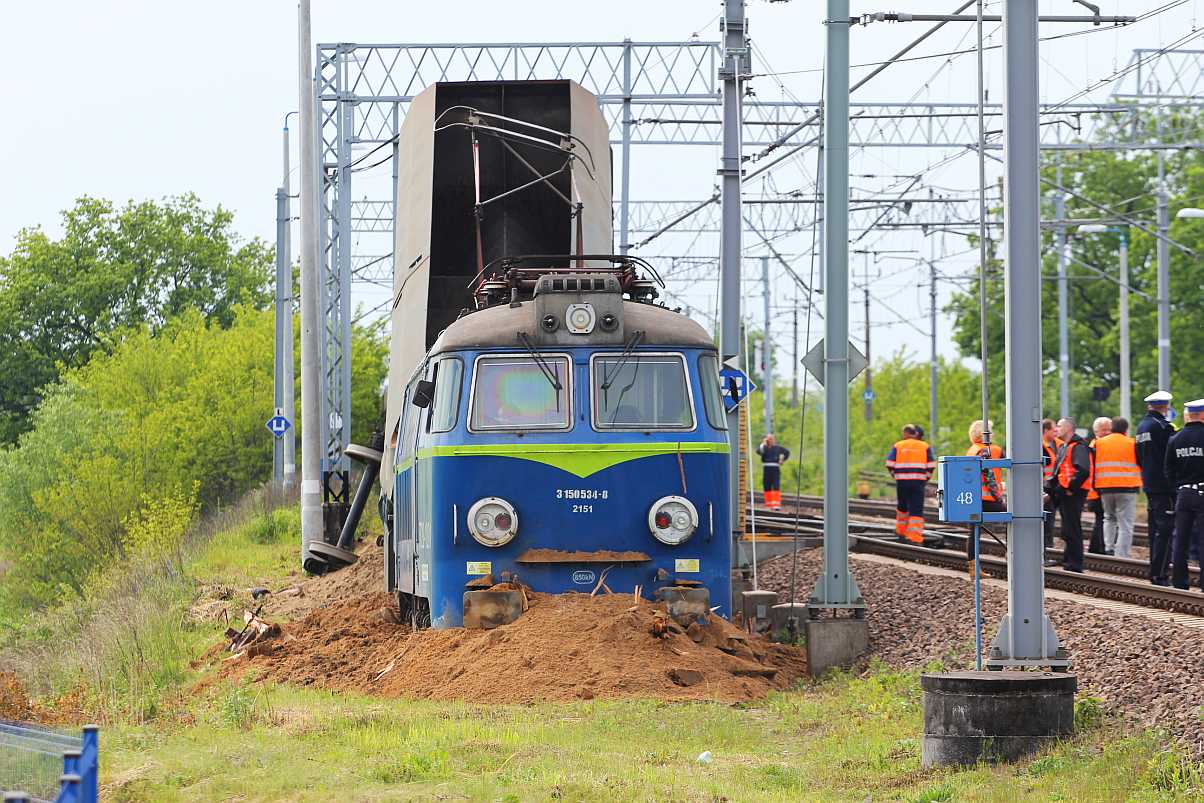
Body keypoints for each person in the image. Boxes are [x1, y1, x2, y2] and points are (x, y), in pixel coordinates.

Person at [1136, 390, 1176, 586]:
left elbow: (1139, 457)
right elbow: (1171, 457)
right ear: (1165, 406)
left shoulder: (1142, 426)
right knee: (1165, 531)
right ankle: (1160, 575)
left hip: (1149, 484)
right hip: (1165, 486)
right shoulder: (1163, 427)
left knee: (1155, 531)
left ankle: (1154, 572)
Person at [1165, 399, 1204, 592]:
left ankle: (1180, 582)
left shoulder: (1175, 439)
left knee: (1180, 538)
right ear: (1203, 415)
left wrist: (1179, 487)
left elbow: (1168, 470)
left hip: (1183, 494)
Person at [1046, 418, 1090, 573]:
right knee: (1067, 528)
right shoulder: (1065, 446)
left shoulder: (1078, 447)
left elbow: (1083, 470)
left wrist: (1072, 487)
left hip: (1073, 493)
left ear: (1068, 428)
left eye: (1059, 425)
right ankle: (1068, 561)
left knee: (1072, 528)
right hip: (1065, 493)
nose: (1056, 428)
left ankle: (1075, 564)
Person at [1093, 416, 1142, 558]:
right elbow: (1140, 462)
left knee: (1109, 518)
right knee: (1125, 523)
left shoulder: (1099, 443)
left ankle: (1109, 548)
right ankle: (1122, 554)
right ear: (1126, 429)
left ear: (1112, 428)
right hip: (1127, 487)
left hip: (1105, 487)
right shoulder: (1132, 443)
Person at [885, 424, 935, 545]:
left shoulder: (898, 445)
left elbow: (890, 463)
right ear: (917, 434)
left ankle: (901, 531)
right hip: (918, 482)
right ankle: (914, 537)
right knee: (916, 508)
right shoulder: (925, 446)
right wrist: (925, 478)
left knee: (902, 506)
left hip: (902, 482)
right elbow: (931, 466)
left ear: (906, 433)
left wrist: (896, 476)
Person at [965, 419, 1005, 562]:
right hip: (987, 499)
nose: (992, 434)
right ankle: (1011, 553)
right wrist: (999, 498)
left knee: (973, 532)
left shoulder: (972, 449)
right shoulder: (989, 450)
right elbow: (989, 477)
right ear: (985, 434)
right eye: (990, 431)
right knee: (1015, 519)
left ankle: (973, 567)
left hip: (973, 498)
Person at [1086, 417, 1109, 554]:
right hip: (1096, 491)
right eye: (1104, 430)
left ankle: (1095, 549)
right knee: (1102, 519)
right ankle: (1099, 549)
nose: (1107, 432)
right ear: (1096, 431)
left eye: (1109, 429)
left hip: (1101, 489)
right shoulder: (1094, 447)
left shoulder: (1099, 446)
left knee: (1101, 520)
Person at [1042, 419, 1063, 551]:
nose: (1056, 431)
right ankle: (1045, 548)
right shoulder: (1040, 446)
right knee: (1045, 521)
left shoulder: (1057, 445)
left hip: (1053, 488)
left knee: (1050, 521)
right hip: (1044, 489)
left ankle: (1047, 547)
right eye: (1053, 429)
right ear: (1045, 431)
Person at [757, 434, 790, 510]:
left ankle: (776, 505)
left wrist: (782, 460)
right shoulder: (764, 448)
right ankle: (768, 504)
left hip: (775, 467)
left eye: (771, 439)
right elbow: (758, 451)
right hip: (766, 468)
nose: (770, 441)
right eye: (768, 439)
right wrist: (763, 444)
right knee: (766, 486)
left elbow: (787, 452)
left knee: (776, 485)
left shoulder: (777, 448)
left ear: (774, 440)